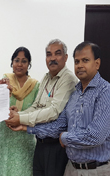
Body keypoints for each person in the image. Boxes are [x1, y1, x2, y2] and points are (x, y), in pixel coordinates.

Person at [29, 42, 110, 175]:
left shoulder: (105, 92)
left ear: (97, 63)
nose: (80, 66)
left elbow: (96, 136)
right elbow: (60, 125)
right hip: (71, 168)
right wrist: (27, 128)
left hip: (96, 170)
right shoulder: (75, 93)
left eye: (85, 60)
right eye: (77, 61)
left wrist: (65, 138)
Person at [7, 39, 78, 176]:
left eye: (57, 54)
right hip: (40, 144)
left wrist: (20, 118)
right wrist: (19, 114)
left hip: (56, 146)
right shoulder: (46, 78)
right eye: (48, 54)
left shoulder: (67, 79)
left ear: (66, 57)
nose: (52, 58)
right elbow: (35, 107)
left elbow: (53, 112)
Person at [0, 47, 39, 176]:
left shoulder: (36, 86)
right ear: (12, 62)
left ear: (29, 64)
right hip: (5, 141)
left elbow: (37, 113)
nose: (19, 64)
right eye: (16, 60)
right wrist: (3, 93)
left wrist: (20, 114)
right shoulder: (5, 80)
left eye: (24, 61)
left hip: (25, 143)